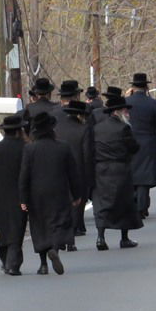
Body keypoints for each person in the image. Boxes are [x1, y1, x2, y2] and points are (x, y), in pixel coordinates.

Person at [19, 112, 83, 275]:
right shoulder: (63, 147)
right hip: (59, 192)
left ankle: (43, 264)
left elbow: (24, 176)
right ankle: (54, 249)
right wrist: (77, 195)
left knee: (40, 226)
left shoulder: (30, 149)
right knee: (58, 223)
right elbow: (73, 173)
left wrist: (23, 199)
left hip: (37, 194)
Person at [91, 94, 143, 250]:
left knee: (102, 203)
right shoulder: (124, 128)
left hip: (101, 169)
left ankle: (100, 237)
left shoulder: (96, 128)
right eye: (125, 110)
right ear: (117, 111)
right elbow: (133, 147)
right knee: (123, 203)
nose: (127, 112)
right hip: (120, 169)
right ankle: (124, 238)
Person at [0, 115, 29, 275]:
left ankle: (5, 258)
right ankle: (13, 263)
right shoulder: (25, 148)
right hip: (20, 195)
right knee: (17, 229)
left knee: (4, 228)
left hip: (0, 196)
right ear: (18, 131)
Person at [125, 72, 156, 218]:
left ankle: (135, 201)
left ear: (133, 86)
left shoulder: (125, 102)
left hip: (128, 141)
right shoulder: (153, 103)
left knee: (132, 172)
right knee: (145, 174)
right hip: (148, 142)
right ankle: (142, 206)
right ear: (146, 86)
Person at [54, 99, 94, 244]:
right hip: (78, 170)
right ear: (80, 115)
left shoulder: (57, 128)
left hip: (59, 169)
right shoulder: (83, 129)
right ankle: (74, 229)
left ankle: (62, 229)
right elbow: (87, 154)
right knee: (78, 201)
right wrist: (90, 176)